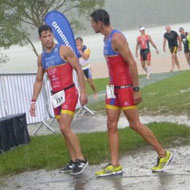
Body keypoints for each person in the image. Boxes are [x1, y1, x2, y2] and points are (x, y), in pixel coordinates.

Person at [90, 9, 173, 177]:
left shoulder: (116, 37)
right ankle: (115, 165)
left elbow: (132, 64)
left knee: (135, 124)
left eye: (92, 22)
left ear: (99, 23)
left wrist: (136, 89)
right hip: (112, 88)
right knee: (110, 124)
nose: (91, 25)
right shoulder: (106, 39)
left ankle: (163, 154)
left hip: (125, 88)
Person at [29, 24, 88, 175]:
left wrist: (83, 92)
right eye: (44, 36)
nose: (48, 39)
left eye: (50, 35)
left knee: (64, 127)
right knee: (64, 130)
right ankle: (73, 160)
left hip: (69, 92)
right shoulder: (41, 58)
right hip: (56, 96)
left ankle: (81, 159)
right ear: (40, 38)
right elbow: (39, 80)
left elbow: (79, 69)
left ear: (53, 35)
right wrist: (33, 101)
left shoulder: (63, 50)